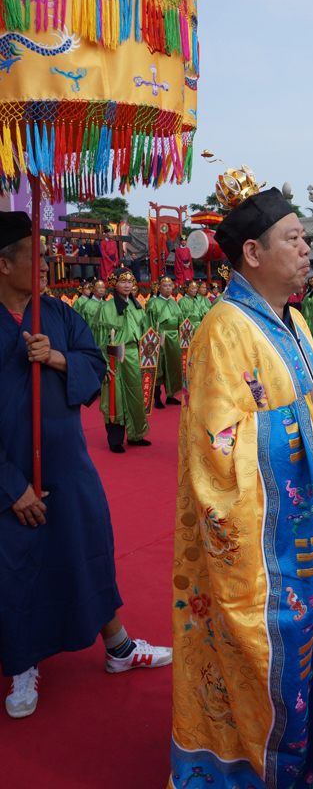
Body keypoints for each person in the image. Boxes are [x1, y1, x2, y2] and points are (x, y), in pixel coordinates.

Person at [169, 179, 313, 788]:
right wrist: (303, 418)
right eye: (294, 238)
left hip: (310, 530)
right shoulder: (224, 328)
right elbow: (215, 447)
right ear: (252, 253)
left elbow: (305, 401)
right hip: (265, 550)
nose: (307, 248)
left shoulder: (291, 320)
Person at [0, 212, 171, 720]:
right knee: (17, 562)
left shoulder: (58, 314)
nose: (48, 261)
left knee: (85, 545)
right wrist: (12, 487)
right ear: (5, 264)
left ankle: (118, 646)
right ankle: (22, 662)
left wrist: (55, 358)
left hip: (67, 459)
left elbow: (96, 365)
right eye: (36, 255)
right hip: (11, 470)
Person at [90, 267, 151, 454]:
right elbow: (100, 340)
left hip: (135, 355)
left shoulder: (137, 305)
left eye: (130, 281)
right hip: (114, 358)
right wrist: (105, 363)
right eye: (123, 281)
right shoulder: (106, 308)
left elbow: (145, 332)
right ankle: (115, 440)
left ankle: (136, 434)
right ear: (114, 284)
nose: (127, 285)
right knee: (115, 398)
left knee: (136, 394)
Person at [146, 275, 183, 408]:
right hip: (160, 337)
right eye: (165, 286)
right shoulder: (152, 303)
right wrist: (153, 339)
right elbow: (149, 323)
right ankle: (157, 397)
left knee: (173, 366)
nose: (168, 288)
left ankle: (170, 395)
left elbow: (180, 320)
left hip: (174, 338)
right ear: (159, 288)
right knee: (159, 366)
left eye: (170, 285)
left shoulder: (174, 302)